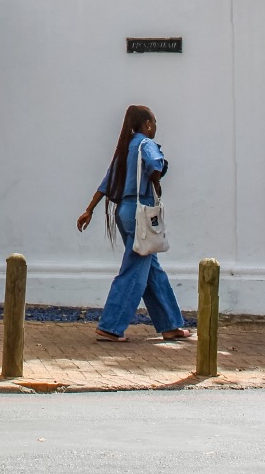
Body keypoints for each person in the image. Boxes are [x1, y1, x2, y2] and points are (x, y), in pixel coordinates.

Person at [76, 104, 191, 343]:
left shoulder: (124, 148)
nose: (156, 126)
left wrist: (89, 210)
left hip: (124, 211)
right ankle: (110, 327)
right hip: (142, 212)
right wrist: (157, 181)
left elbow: (106, 184)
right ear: (147, 124)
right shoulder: (145, 145)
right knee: (133, 271)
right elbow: (156, 165)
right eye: (154, 122)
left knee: (151, 270)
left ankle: (170, 325)